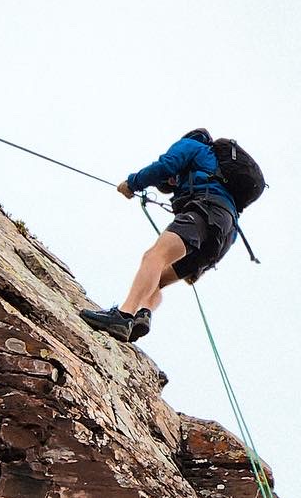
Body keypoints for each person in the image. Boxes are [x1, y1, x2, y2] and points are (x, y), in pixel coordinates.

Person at [79, 129, 240, 343]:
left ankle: (124, 315)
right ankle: (143, 313)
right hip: (224, 236)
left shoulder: (193, 145)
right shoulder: (217, 173)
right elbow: (227, 230)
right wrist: (199, 267)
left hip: (204, 211)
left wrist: (132, 183)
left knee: (154, 256)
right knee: (159, 278)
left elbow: (165, 166)